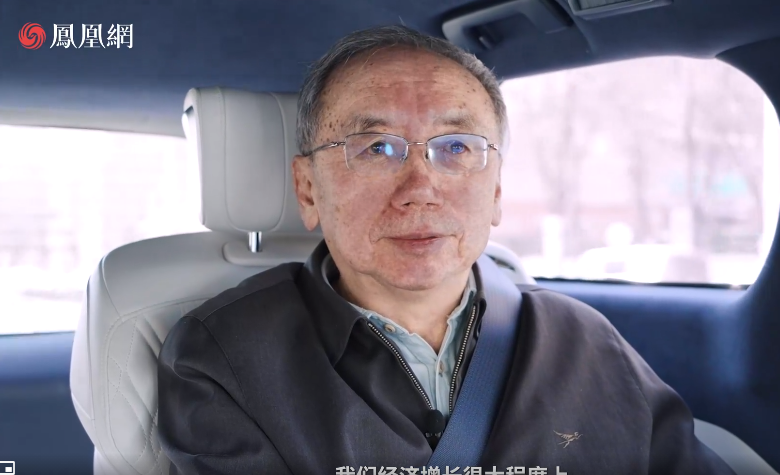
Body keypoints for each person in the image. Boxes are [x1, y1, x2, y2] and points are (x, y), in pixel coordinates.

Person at [157, 25, 735, 475]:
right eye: (377, 147)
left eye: (456, 147)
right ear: (308, 189)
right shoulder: (224, 355)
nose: (421, 188)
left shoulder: (585, 342)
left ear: (497, 191)